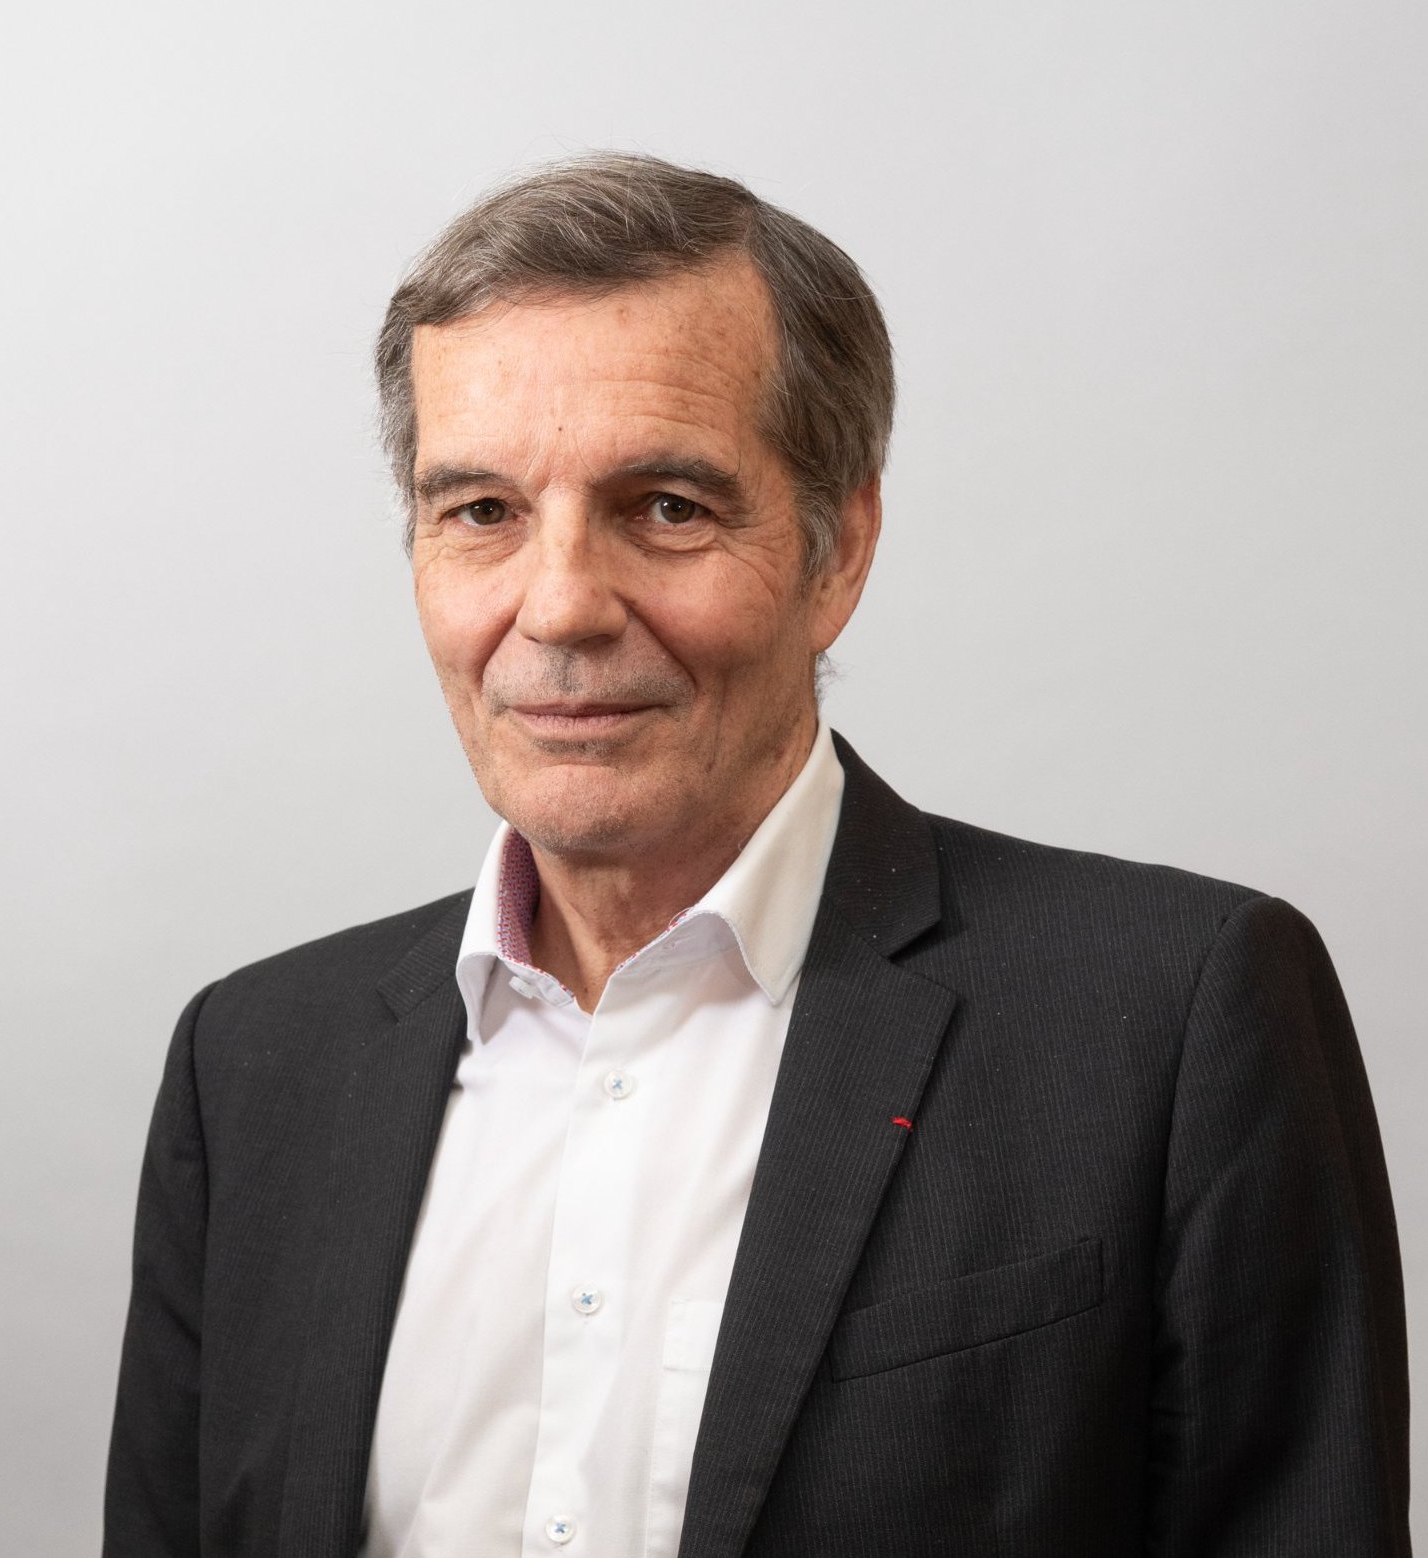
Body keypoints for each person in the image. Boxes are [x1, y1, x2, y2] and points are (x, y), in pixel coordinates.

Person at [104, 153, 1410, 1558]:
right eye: (481, 511)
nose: (561, 606)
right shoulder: (253, 1067)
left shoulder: (1169, 1019)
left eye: (667, 506)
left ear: (835, 551)